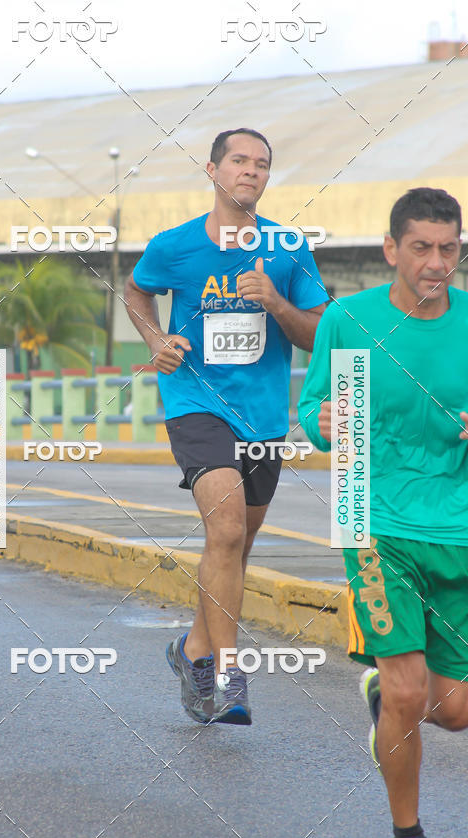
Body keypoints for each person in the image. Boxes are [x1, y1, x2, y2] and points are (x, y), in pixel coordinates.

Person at [124, 128, 327, 725]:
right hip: (195, 402)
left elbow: (318, 335)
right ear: (212, 170)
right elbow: (137, 289)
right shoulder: (176, 246)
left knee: (232, 546)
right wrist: (156, 338)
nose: (251, 172)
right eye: (239, 161)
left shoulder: (288, 248)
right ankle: (231, 676)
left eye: (262, 165)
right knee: (228, 529)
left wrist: (276, 302)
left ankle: (193, 652)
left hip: (263, 415)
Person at [298, 187, 468, 838]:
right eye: (422, 248)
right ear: (392, 249)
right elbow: (311, 409)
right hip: (371, 519)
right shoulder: (348, 319)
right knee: (406, 690)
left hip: (456, 526)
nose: (436, 263)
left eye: (449, 248)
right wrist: (324, 421)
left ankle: (390, 696)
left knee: (453, 709)